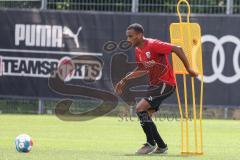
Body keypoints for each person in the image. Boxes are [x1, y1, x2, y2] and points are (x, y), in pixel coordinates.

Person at [115, 23, 198, 155]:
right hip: (154, 85)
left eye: (131, 36)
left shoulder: (153, 44)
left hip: (166, 83)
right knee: (145, 115)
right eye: (127, 37)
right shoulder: (138, 50)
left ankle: (150, 144)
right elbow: (142, 68)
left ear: (140, 35)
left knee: (139, 108)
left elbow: (178, 48)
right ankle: (161, 146)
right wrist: (124, 79)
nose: (128, 40)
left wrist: (189, 69)